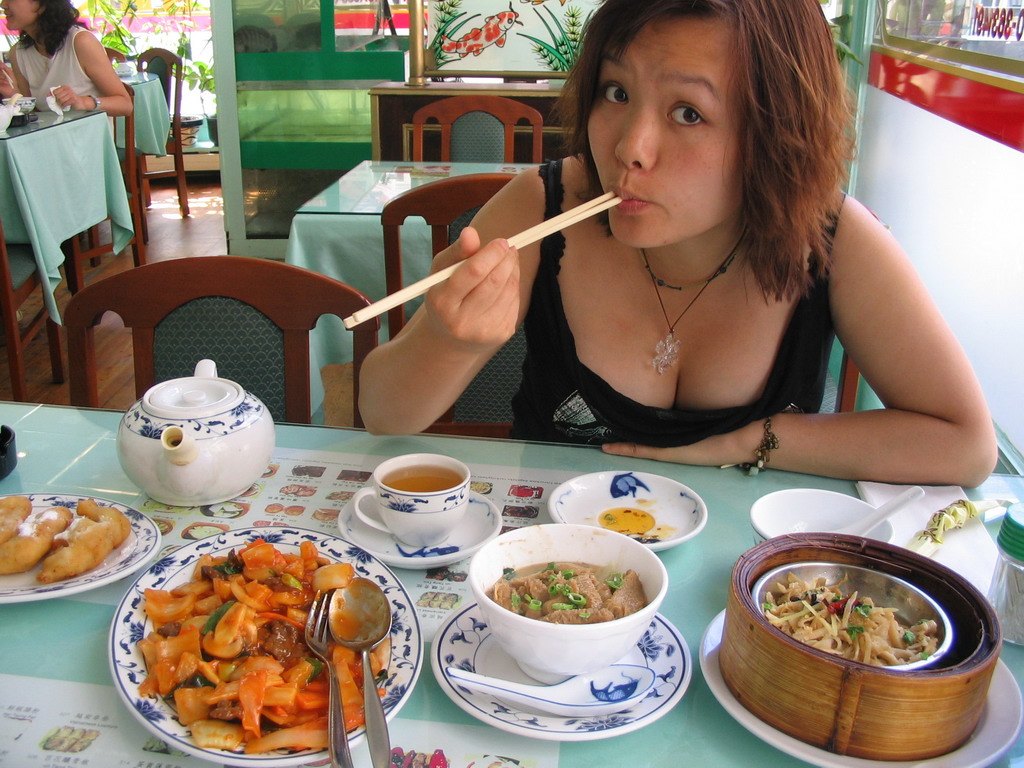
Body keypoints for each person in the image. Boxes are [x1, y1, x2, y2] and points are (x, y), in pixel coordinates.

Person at [358, 0, 996, 487]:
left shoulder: (831, 238)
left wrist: (753, 441)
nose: (630, 149)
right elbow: (383, 414)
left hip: (746, 600)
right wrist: (446, 339)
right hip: (545, 581)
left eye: (688, 112)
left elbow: (966, 445)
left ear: (774, 132)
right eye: (617, 92)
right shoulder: (544, 205)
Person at [0, 0, 131, 116]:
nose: (3, 5)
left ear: (42, 5)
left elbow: (125, 105)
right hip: (48, 140)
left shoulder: (80, 41)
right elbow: (33, 115)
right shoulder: (18, 53)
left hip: (89, 139)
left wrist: (83, 102)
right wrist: (11, 93)